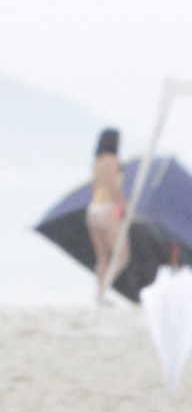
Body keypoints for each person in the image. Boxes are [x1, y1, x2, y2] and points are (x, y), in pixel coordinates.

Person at [87, 128, 128, 305]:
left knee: (102, 257)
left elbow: (96, 187)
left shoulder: (97, 162)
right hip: (108, 208)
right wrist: (123, 206)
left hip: (94, 208)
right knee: (122, 254)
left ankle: (100, 293)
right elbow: (112, 186)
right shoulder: (112, 161)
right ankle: (103, 291)